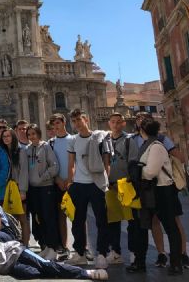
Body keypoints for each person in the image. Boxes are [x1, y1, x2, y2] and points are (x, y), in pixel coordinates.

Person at [131, 112, 189, 269]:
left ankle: (181, 256)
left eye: (143, 119)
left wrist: (138, 171)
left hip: (162, 187)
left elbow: (177, 158)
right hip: (148, 189)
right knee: (154, 222)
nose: (140, 121)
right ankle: (161, 254)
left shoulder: (161, 140)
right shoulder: (133, 140)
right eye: (138, 119)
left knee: (172, 223)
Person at [0, 224, 108, 280]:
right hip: (11, 267)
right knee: (31, 274)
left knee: (47, 266)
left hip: (17, 252)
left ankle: (87, 273)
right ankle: (54, 269)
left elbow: (2, 255)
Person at [66, 110, 111, 269]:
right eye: (74, 121)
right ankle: (80, 254)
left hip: (96, 184)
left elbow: (107, 162)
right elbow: (71, 164)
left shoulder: (99, 137)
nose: (77, 123)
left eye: (79, 120)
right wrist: (70, 183)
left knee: (101, 220)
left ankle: (102, 254)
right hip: (79, 184)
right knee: (77, 221)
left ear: (86, 119)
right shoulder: (73, 141)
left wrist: (104, 182)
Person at [105, 112, 137, 265]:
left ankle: (133, 251)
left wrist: (124, 182)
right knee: (113, 222)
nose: (116, 124)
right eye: (113, 122)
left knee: (132, 221)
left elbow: (133, 163)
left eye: (119, 122)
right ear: (109, 124)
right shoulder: (104, 141)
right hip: (110, 186)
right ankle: (116, 252)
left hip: (126, 186)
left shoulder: (129, 140)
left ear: (123, 123)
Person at [26, 124, 60, 261]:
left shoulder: (45, 147)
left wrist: (43, 177)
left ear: (39, 134)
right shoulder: (27, 150)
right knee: (39, 219)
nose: (31, 136)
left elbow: (54, 166)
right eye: (29, 134)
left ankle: (54, 248)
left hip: (46, 188)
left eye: (33, 133)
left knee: (49, 218)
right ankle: (46, 246)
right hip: (33, 189)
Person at [0, 128, 29, 246]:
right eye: (4, 136)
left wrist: (23, 190)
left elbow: (24, 172)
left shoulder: (20, 151)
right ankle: (16, 243)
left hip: (18, 187)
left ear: (13, 137)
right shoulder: (3, 151)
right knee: (11, 217)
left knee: (23, 217)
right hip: (7, 188)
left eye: (8, 136)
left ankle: (25, 244)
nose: (6, 138)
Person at [49, 113, 73, 259]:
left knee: (77, 217)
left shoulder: (74, 140)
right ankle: (64, 247)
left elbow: (75, 162)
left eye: (58, 123)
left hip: (73, 183)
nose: (56, 126)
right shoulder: (51, 143)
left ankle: (82, 247)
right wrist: (58, 179)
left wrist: (70, 180)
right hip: (57, 183)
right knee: (60, 216)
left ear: (64, 122)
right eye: (54, 124)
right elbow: (51, 163)